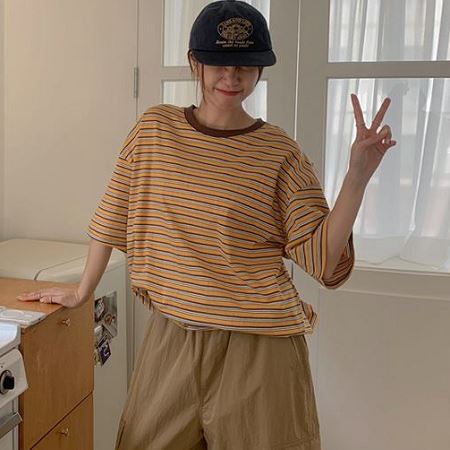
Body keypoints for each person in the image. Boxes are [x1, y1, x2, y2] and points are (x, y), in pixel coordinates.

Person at [16, 1, 396, 449]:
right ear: (195, 62)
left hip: (260, 347)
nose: (231, 77)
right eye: (218, 63)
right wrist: (83, 290)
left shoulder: (280, 152)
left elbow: (322, 260)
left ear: (260, 70)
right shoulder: (155, 129)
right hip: (172, 336)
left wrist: (357, 178)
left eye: (245, 66)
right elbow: (114, 210)